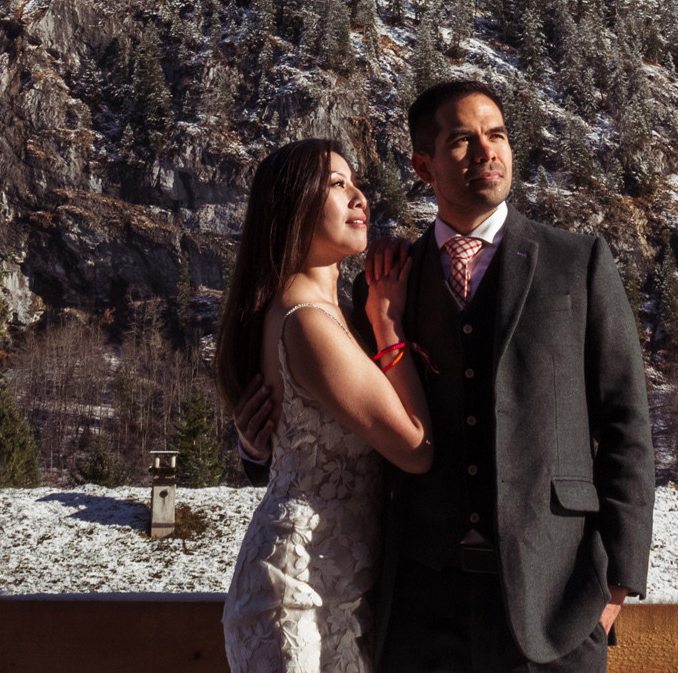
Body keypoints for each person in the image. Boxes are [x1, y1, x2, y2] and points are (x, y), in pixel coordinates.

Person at [237, 82, 654, 673]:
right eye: (462, 140)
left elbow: (626, 425)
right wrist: (257, 447)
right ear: (423, 166)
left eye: (498, 135)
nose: (487, 151)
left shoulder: (578, 263)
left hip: (554, 606)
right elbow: (334, 411)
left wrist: (617, 586)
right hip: (417, 610)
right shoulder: (385, 283)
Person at [221, 138, 434, 673]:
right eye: (338, 185)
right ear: (292, 207)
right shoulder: (309, 322)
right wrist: (388, 323)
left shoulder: (324, 312)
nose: (360, 196)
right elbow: (415, 448)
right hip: (298, 593)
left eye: (355, 183)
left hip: (334, 581)